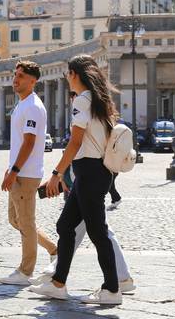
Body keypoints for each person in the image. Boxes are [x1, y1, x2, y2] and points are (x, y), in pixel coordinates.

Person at [29, 54, 122, 305]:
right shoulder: (98, 100)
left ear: (73, 74)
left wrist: (57, 174)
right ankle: (58, 283)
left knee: (97, 231)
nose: (66, 79)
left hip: (90, 172)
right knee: (65, 226)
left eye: (67, 74)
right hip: (93, 173)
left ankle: (112, 289)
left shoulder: (82, 100)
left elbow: (75, 141)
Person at [0, 60, 57, 286]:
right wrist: (11, 167)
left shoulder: (32, 106)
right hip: (19, 171)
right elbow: (21, 141)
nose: (16, 79)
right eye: (15, 74)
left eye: (21, 76)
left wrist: (14, 170)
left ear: (33, 81)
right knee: (16, 220)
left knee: (26, 221)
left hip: (26, 174)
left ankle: (25, 271)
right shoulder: (22, 104)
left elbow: (30, 142)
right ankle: (54, 249)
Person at [33, 166, 136, 294]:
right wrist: (62, 175)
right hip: (85, 173)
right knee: (78, 228)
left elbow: (77, 146)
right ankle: (56, 276)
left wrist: (57, 174)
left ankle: (119, 280)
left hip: (88, 173)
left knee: (94, 231)